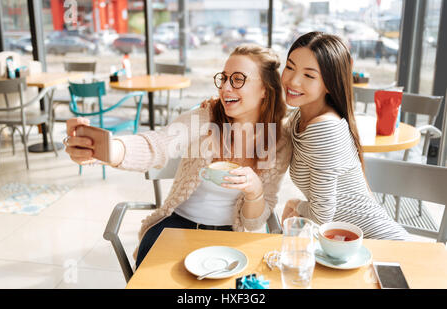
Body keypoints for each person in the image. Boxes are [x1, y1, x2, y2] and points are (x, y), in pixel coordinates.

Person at [64, 44, 292, 268]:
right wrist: (105, 149)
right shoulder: (205, 118)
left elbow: (253, 223)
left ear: (265, 89)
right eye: (223, 78)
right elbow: (158, 144)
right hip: (175, 226)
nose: (225, 88)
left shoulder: (278, 142)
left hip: (229, 235)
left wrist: (255, 191)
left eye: (238, 79)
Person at [280, 32, 408, 240]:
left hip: (380, 242)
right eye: (290, 67)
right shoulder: (299, 116)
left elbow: (321, 217)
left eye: (309, 75)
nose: (293, 81)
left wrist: (295, 204)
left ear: (330, 84)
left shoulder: (324, 128)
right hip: (348, 244)